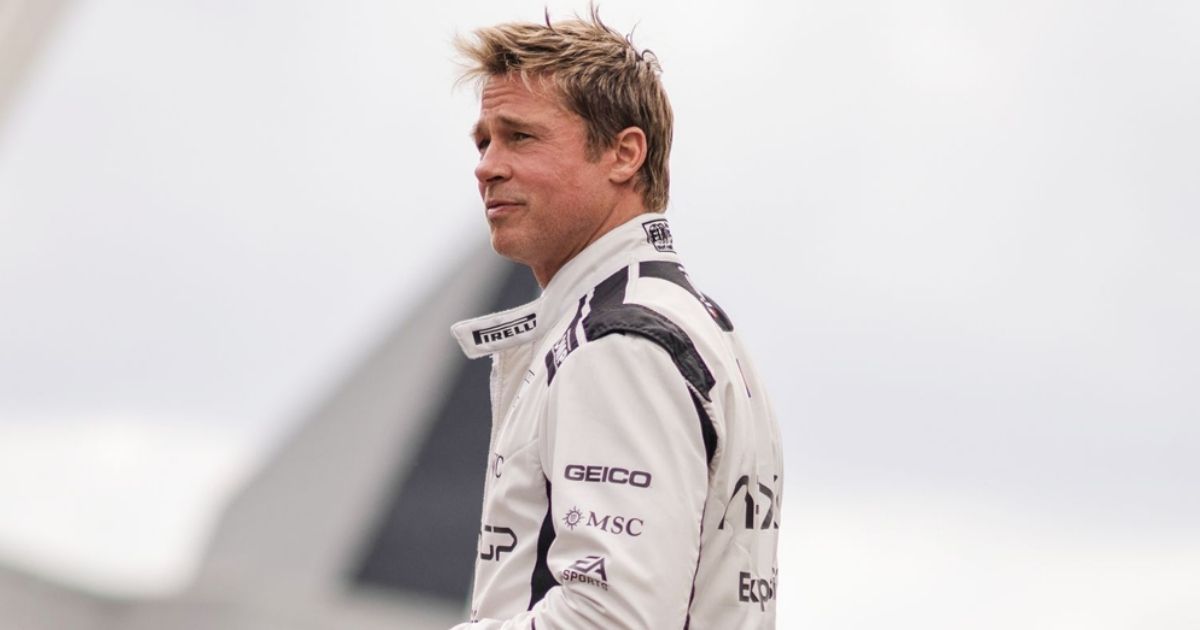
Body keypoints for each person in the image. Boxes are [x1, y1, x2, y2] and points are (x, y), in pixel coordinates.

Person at [449, 8, 783, 629]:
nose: (487, 165)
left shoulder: (619, 341)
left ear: (624, 154)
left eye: (520, 137)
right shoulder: (688, 321)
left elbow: (610, 619)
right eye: (483, 141)